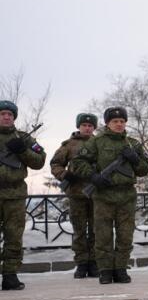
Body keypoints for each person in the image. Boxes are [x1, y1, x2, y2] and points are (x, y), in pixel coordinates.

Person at [70, 107, 148, 284]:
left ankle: (121, 268)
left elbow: (145, 169)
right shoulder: (96, 142)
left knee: (125, 235)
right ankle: (105, 270)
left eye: (122, 121)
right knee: (103, 235)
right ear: (107, 123)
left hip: (126, 195)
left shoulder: (132, 144)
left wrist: (135, 159)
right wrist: (93, 176)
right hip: (103, 196)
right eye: (115, 121)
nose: (119, 124)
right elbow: (77, 163)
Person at [0, 101, 46, 290]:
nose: (6, 117)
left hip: (15, 194)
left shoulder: (24, 138)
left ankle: (10, 275)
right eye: (2, 113)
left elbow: (39, 160)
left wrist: (22, 150)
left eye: (10, 114)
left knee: (14, 236)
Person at [49, 113, 98, 278]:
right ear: (78, 126)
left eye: (90, 125)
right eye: (84, 125)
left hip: (96, 193)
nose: (87, 128)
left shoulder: (99, 143)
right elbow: (55, 163)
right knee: (79, 231)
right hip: (76, 193)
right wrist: (65, 175)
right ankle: (81, 264)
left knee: (96, 230)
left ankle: (94, 263)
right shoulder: (69, 145)